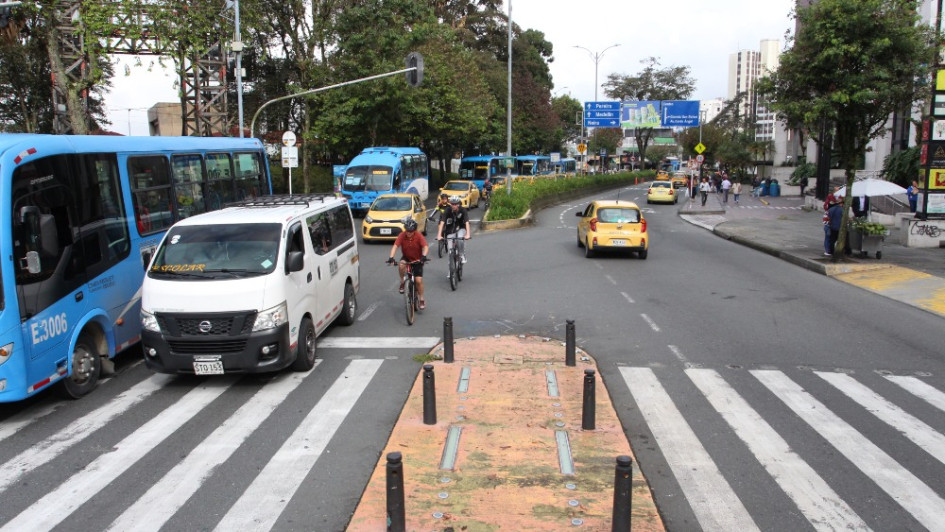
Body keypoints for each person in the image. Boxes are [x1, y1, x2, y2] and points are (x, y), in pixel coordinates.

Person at [387, 219, 429, 309]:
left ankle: (421, 299)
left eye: (411, 231)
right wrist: (391, 257)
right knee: (401, 264)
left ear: (414, 230)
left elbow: (425, 246)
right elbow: (395, 246)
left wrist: (424, 256)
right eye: (407, 231)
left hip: (417, 260)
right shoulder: (402, 235)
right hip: (406, 258)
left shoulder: (419, 235)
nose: (408, 233)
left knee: (418, 281)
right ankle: (402, 282)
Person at [437, 195, 471, 264]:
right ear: (450, 204)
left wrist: (468, 234)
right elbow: (442, 222)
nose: (454, 206)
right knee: (450, 249)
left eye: (456, 204)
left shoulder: (463, 210)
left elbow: (467, 222)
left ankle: (462, 255)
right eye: (452, 204)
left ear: (458, 204)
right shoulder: (448, 210)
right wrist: (439, 235)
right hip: (450, 230)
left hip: (461, 228)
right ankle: (451, 264)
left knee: (460, 238)